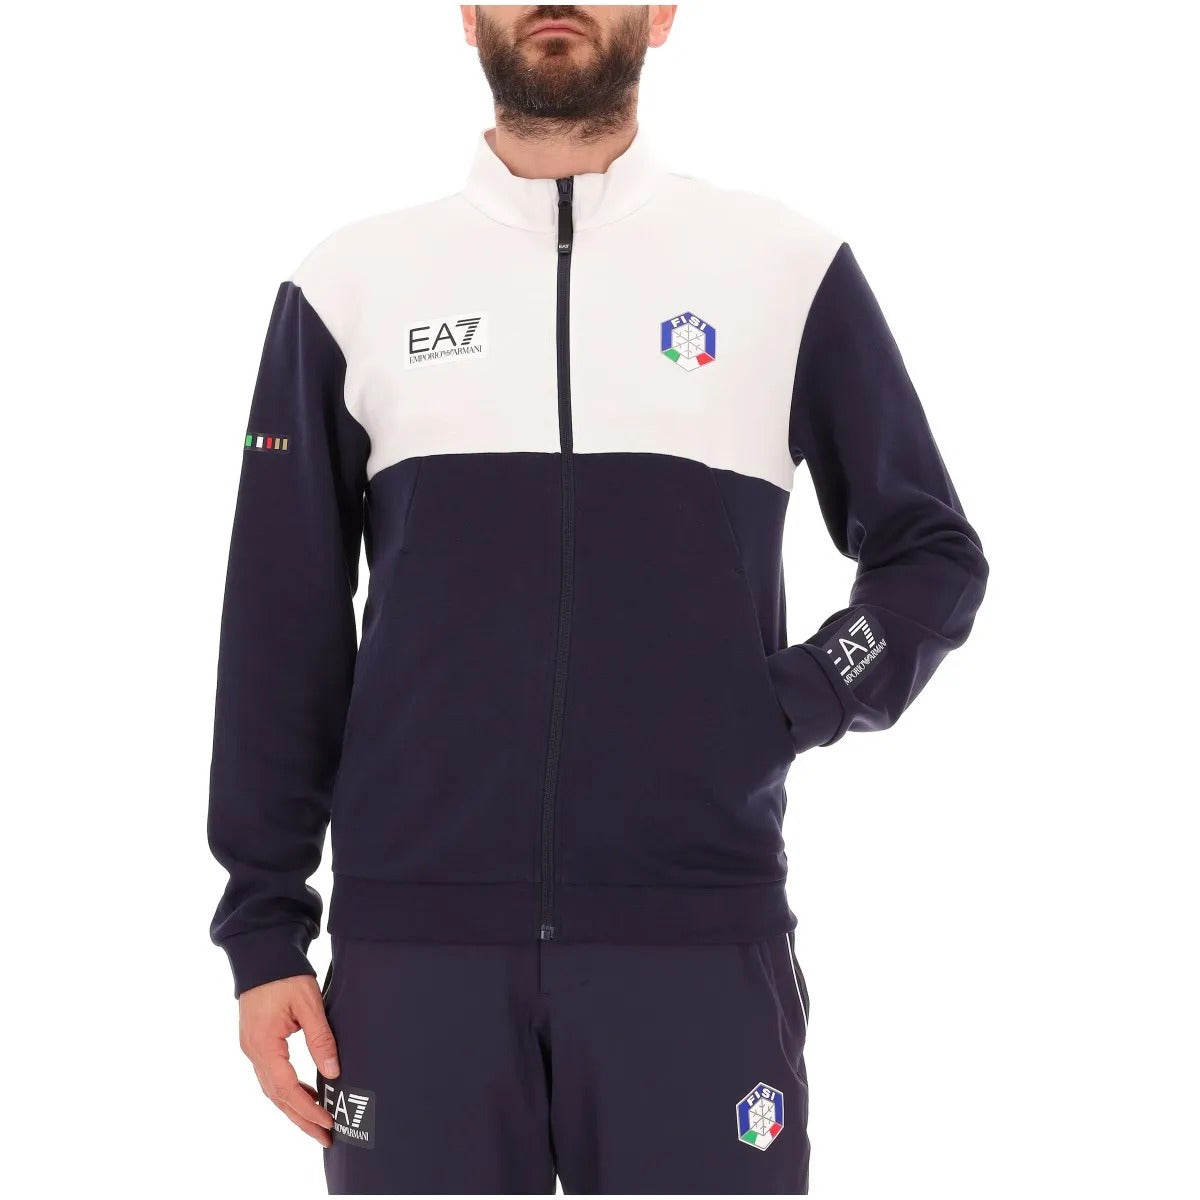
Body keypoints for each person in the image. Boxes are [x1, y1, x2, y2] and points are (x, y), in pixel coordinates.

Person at [206, 5, 989, 1194]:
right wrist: (264, 932)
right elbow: (281, 629)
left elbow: (930, 551)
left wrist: (792, 698)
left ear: (662, 13)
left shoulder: (784, 268)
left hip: (696, 935)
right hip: (416, 957)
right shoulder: (349, 285)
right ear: (467, 13)